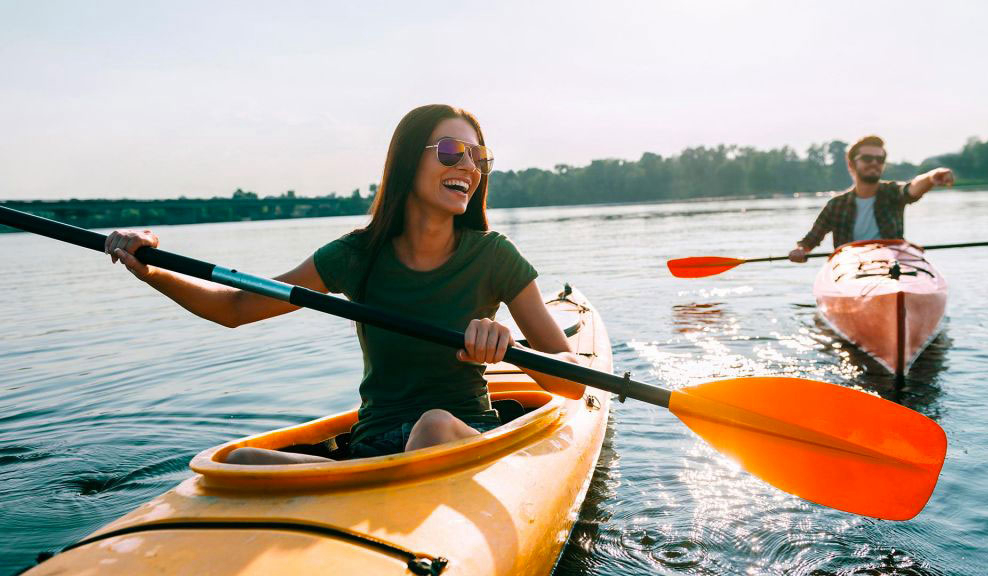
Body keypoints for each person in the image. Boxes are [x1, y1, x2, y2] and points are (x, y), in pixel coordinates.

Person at [104, 104, 587, 464]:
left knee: (433, 426)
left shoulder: (494, 256)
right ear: (407, 161)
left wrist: (507, 348)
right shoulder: (356, 255)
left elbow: (571, 380)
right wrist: (151, 269)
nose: (468, 166)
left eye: (479, 157)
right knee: (239, 460)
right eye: (450, 151)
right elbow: (234, 307)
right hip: (373, 446)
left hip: (460, 435)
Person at [788, 135, 954, 262]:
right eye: (867, 158)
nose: (874, 162)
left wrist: (931, 177)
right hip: (850, 267)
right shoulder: (836, 205)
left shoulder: (892, 193)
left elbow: (912, 189)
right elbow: (810, 240)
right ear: (851, 164)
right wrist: (801, 250)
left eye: (880, 159)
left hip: (892, 264)